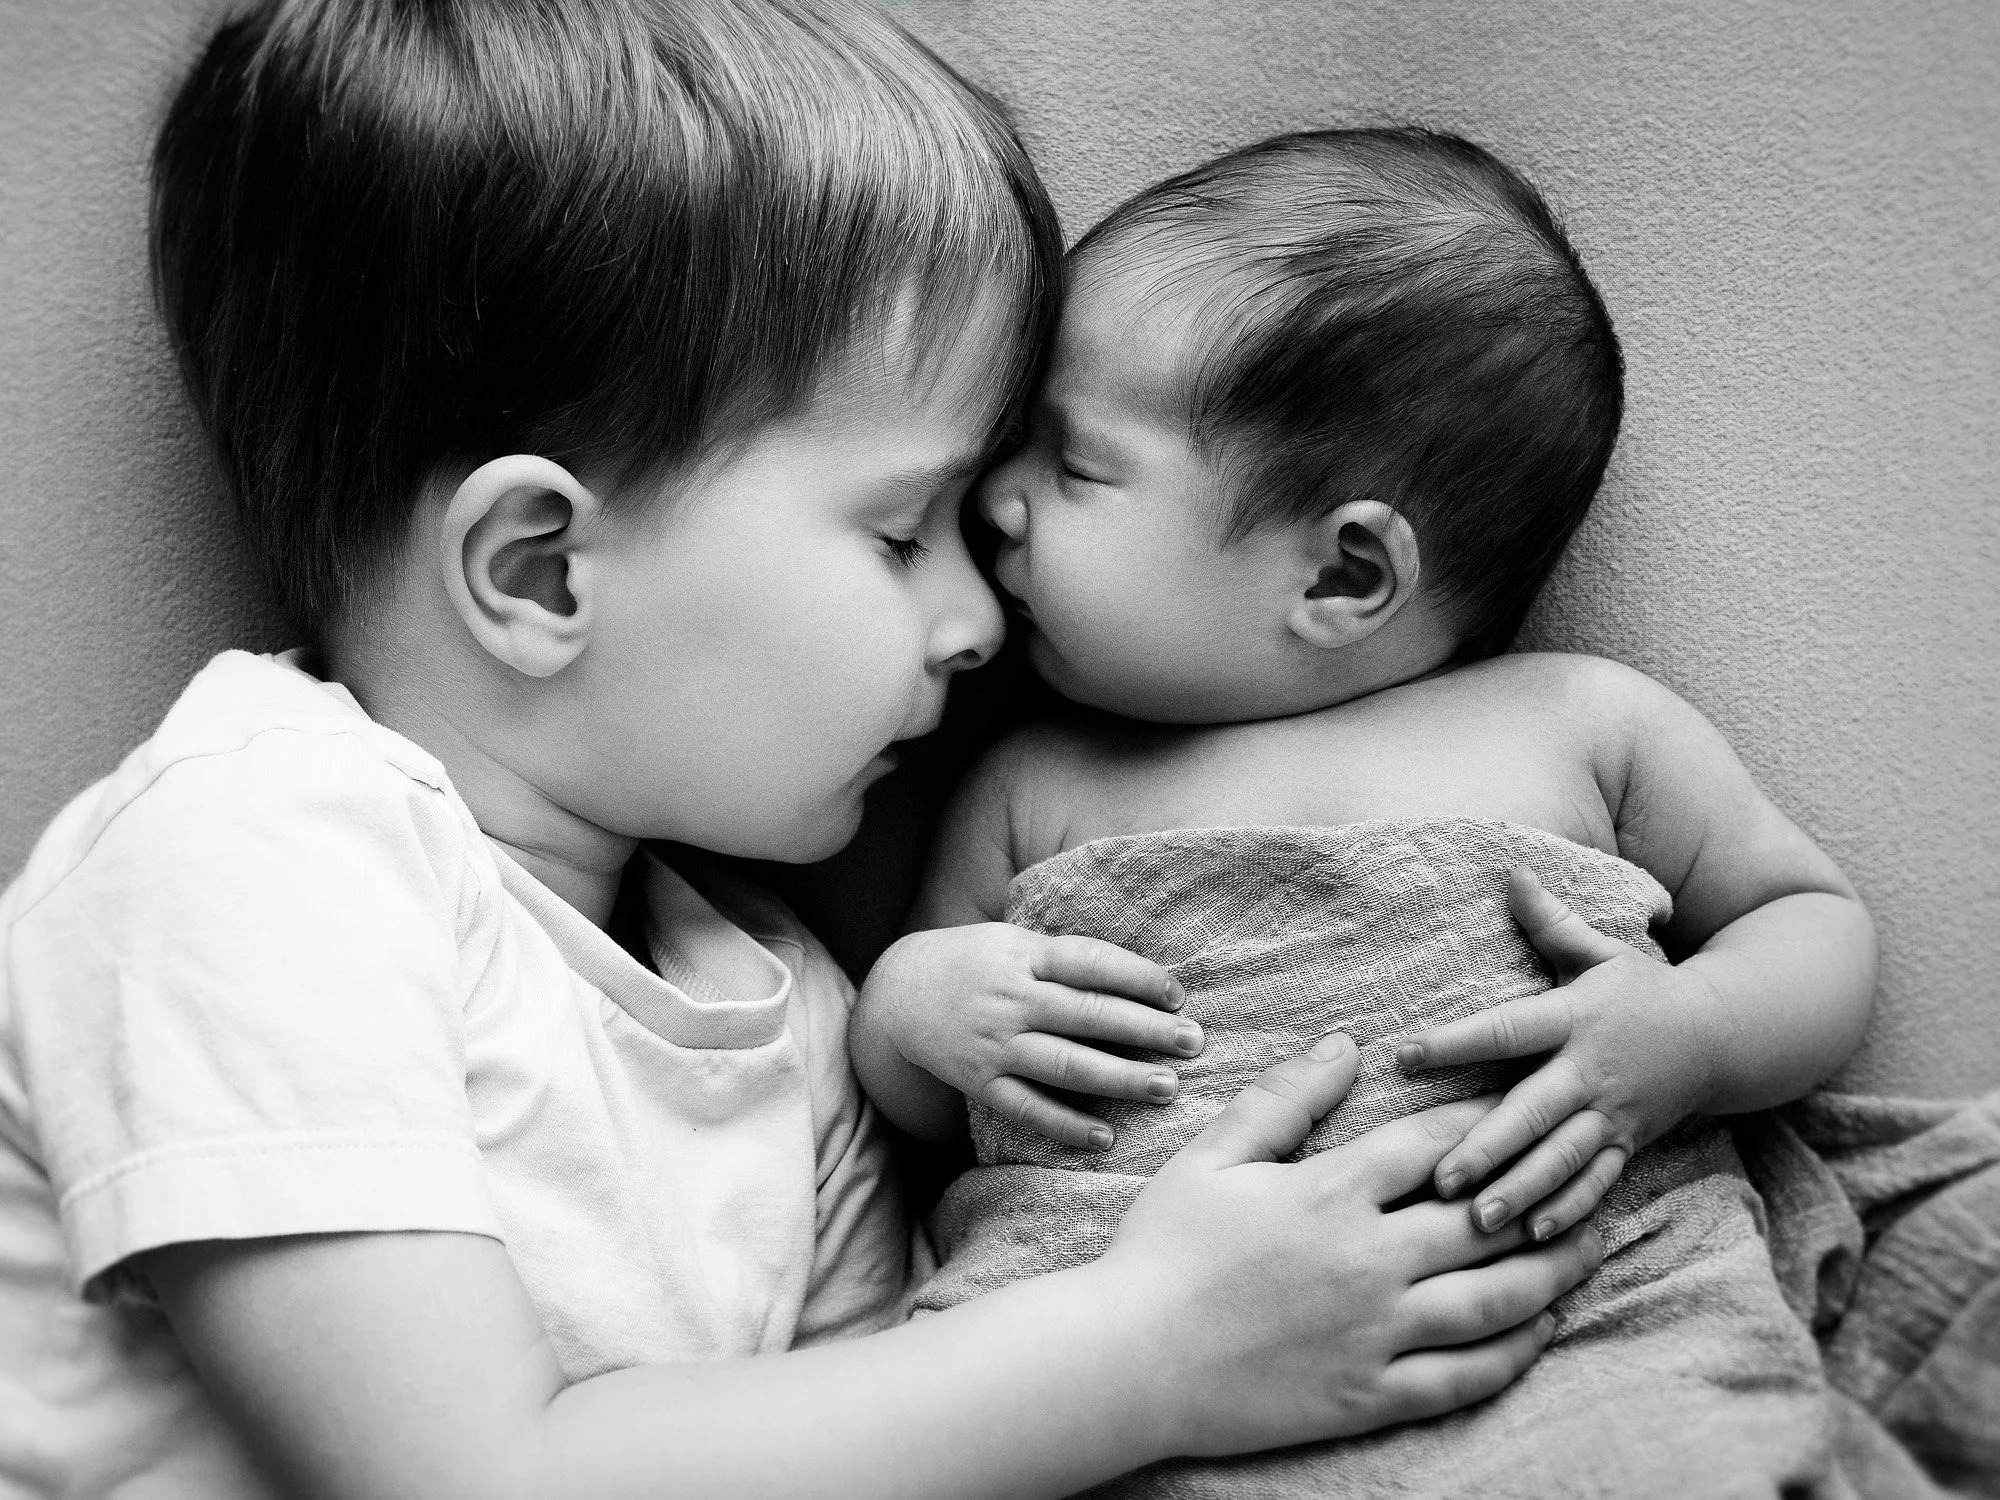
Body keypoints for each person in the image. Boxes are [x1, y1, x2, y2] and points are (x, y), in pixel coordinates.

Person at [0, 12, 1602, 1499]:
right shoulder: (259, 854)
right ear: (542, 571)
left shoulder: (788, 1005)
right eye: (903, 529)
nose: (980, 615)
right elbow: (477, 1478)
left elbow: (893, 1437)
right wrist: (1148, 1349)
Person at [848, 129, 1879, 1496]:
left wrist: (1697, 1031)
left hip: (1579, 1331)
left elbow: (1813, 922)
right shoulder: (1035, 779)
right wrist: (921, 1004)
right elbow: (922, 1114)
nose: (996, 499)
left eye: (1075, 463)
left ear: (1341, 571)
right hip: (1152, 1387)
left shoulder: (1581, 720)